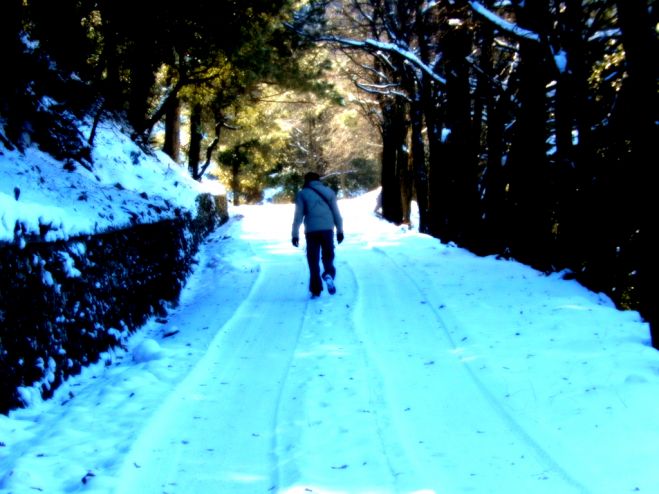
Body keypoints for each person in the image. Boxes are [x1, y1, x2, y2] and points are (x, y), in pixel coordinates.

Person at [291, 172, 344, 298]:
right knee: (328, 255)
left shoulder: (302, 194)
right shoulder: (329, 192)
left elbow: (298, 217)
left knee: (313, 259)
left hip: (311, 231)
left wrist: (295, 234)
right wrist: (340, 231)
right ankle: (328, 274)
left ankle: (316, 289)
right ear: (318, 180)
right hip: (327, 229)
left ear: (306, 180)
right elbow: (336, 214)